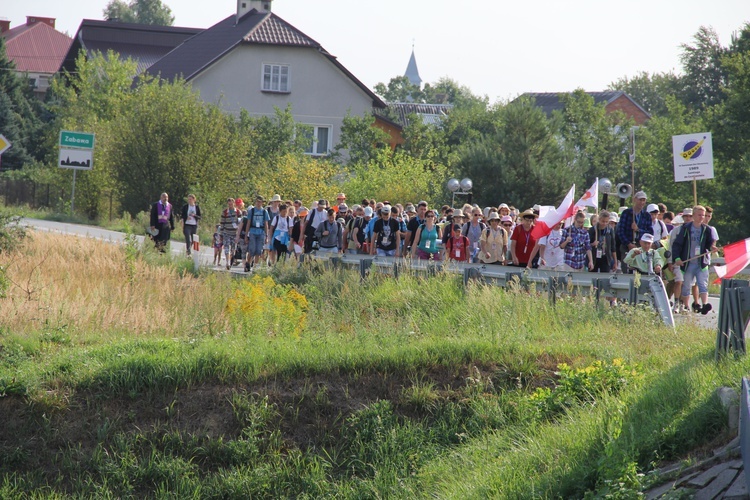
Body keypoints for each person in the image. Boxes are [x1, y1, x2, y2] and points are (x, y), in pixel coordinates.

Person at [672, 205, 715, 315]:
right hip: (688, 263)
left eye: (703, 215)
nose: (702, 217)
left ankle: (705, 305)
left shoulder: (707, 229)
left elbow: (709, 243)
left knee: (703, 284)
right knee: (686, 286)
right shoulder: (686, 228)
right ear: (694, 216)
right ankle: (686, 305)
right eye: (699, 215)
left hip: (701, 263)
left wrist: (712, 248)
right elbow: (677, 244)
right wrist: (677, 258)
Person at [616, 191, 653, 273]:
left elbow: (650, 233)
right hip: (627, 246)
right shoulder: (626, 213)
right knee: (626, 269)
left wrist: (638, 230)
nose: (642, 202)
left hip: (641, 247)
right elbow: (620, 231)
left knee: (641, 270)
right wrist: (628, 244)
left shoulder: (647, 215)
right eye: (640, 200)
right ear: (635, 200)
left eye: (644, 200)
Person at [241, 196, 270, 272]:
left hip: (261, 232)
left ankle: (255, 267)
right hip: (253, 232)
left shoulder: (264, 212)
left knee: (259, 251)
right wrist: (246, 235)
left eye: (260, 202)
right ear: (255, 202)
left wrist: (267, 236)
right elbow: (248, 223)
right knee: (252, 250)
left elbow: (266, 224)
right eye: (257, 201)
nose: (259, 203)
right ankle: (248, 263)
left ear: (262, 202)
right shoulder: (252, 211)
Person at [219, 198, 241, 270]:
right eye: (229, 204)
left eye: (231, 204)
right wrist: (221, 234)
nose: (230, 205)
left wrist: (239, 234)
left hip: (234, 233)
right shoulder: (225, 212)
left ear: (234, 203)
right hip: (226, 232)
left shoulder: (238, 212)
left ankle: (231, 260)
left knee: (233, 249)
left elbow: (240, 223)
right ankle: (227, 262)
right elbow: (222, 223)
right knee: (226, 248)